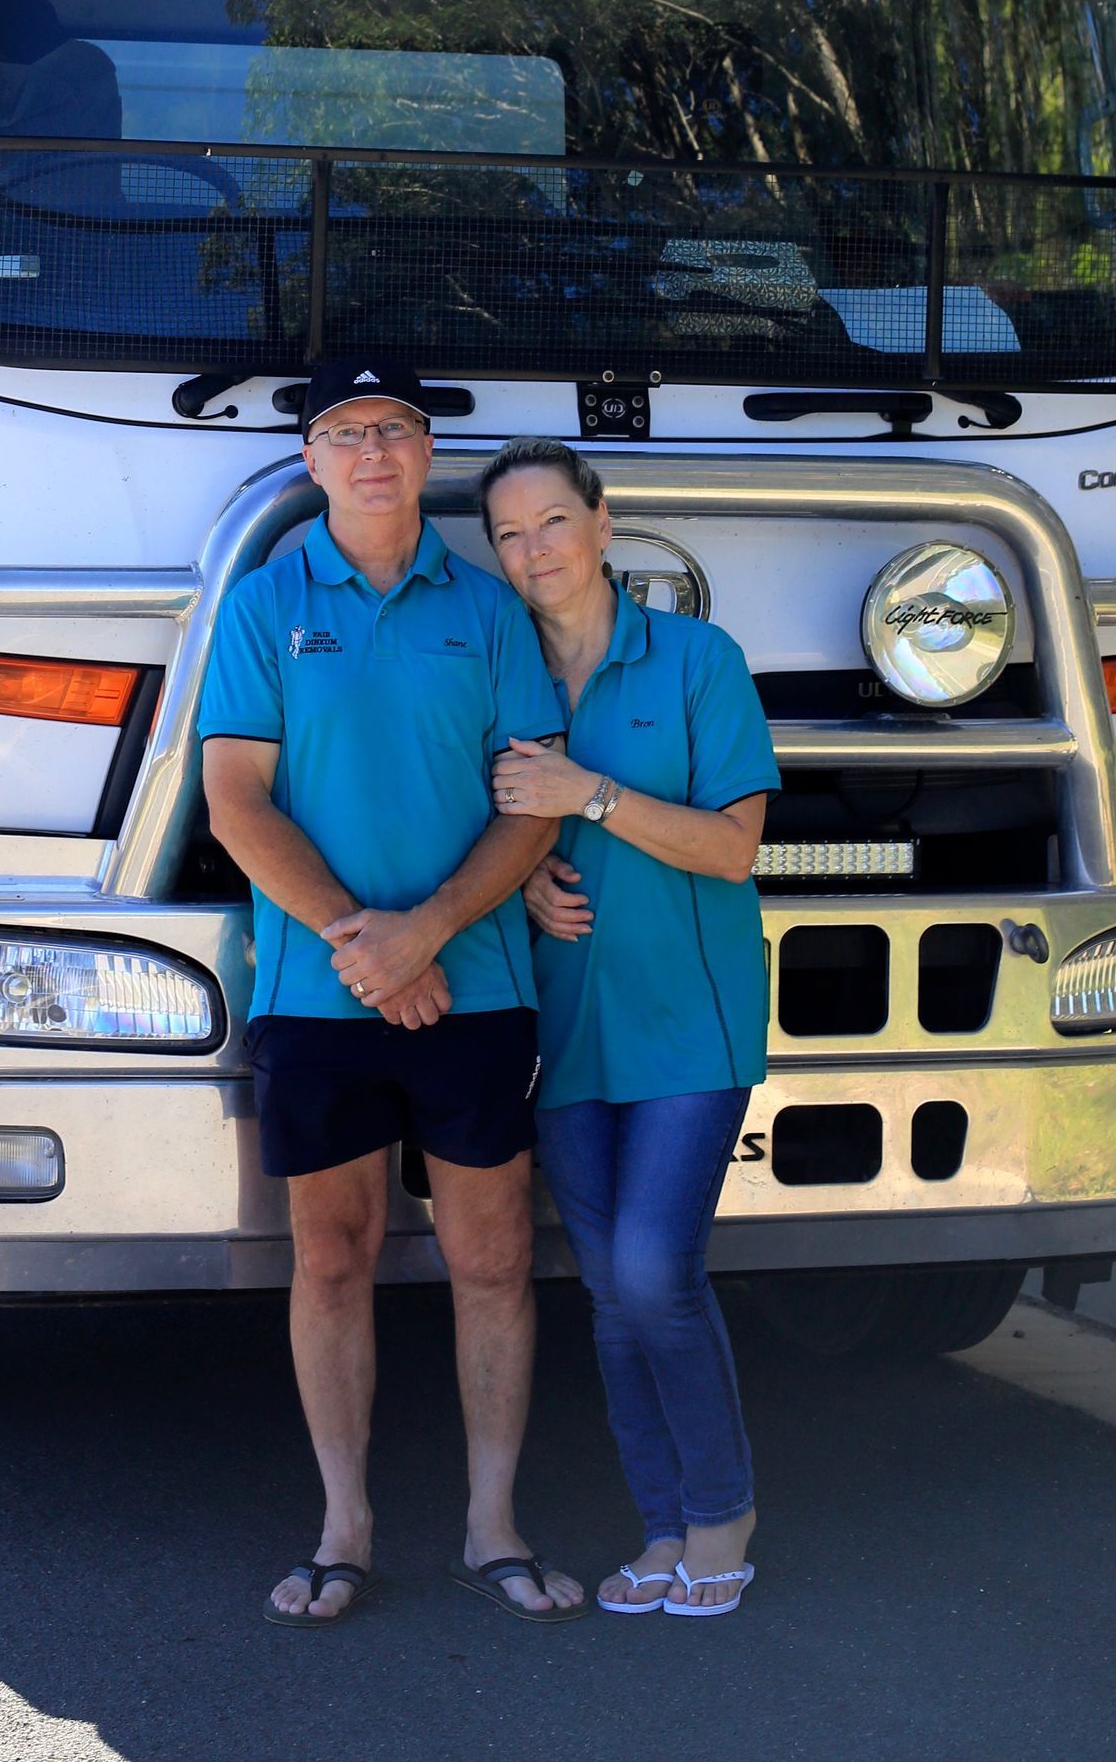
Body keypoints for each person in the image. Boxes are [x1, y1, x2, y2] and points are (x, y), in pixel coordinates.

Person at [201, 359, 586, 1630]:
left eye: (398, 431)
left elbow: (531, 798)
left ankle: (493, 1526)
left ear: (428, 458)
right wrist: (361, 947)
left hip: (474, 989)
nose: (374, 451)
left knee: (491, 1257)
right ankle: (345, 1526)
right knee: (331, 1257)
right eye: (347, 432)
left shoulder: (486, 613)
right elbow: (235, 802)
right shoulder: (263, 607)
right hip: (319, 998)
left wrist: (425, 936)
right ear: (312, 461)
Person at [481, 438, 775, 1622]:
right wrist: (529, 875)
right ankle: (663, 1527)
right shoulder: (498, 677)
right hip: (563, 1034)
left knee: (656, 1273)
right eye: (508, 533)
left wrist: (585, 796)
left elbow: (733, 846)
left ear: (604, 523)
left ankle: (724, 1511)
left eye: (553, 520)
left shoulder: (700, 659)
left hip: (688, 1024)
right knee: (609, 1291)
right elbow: (478, 829)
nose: (533, 549)